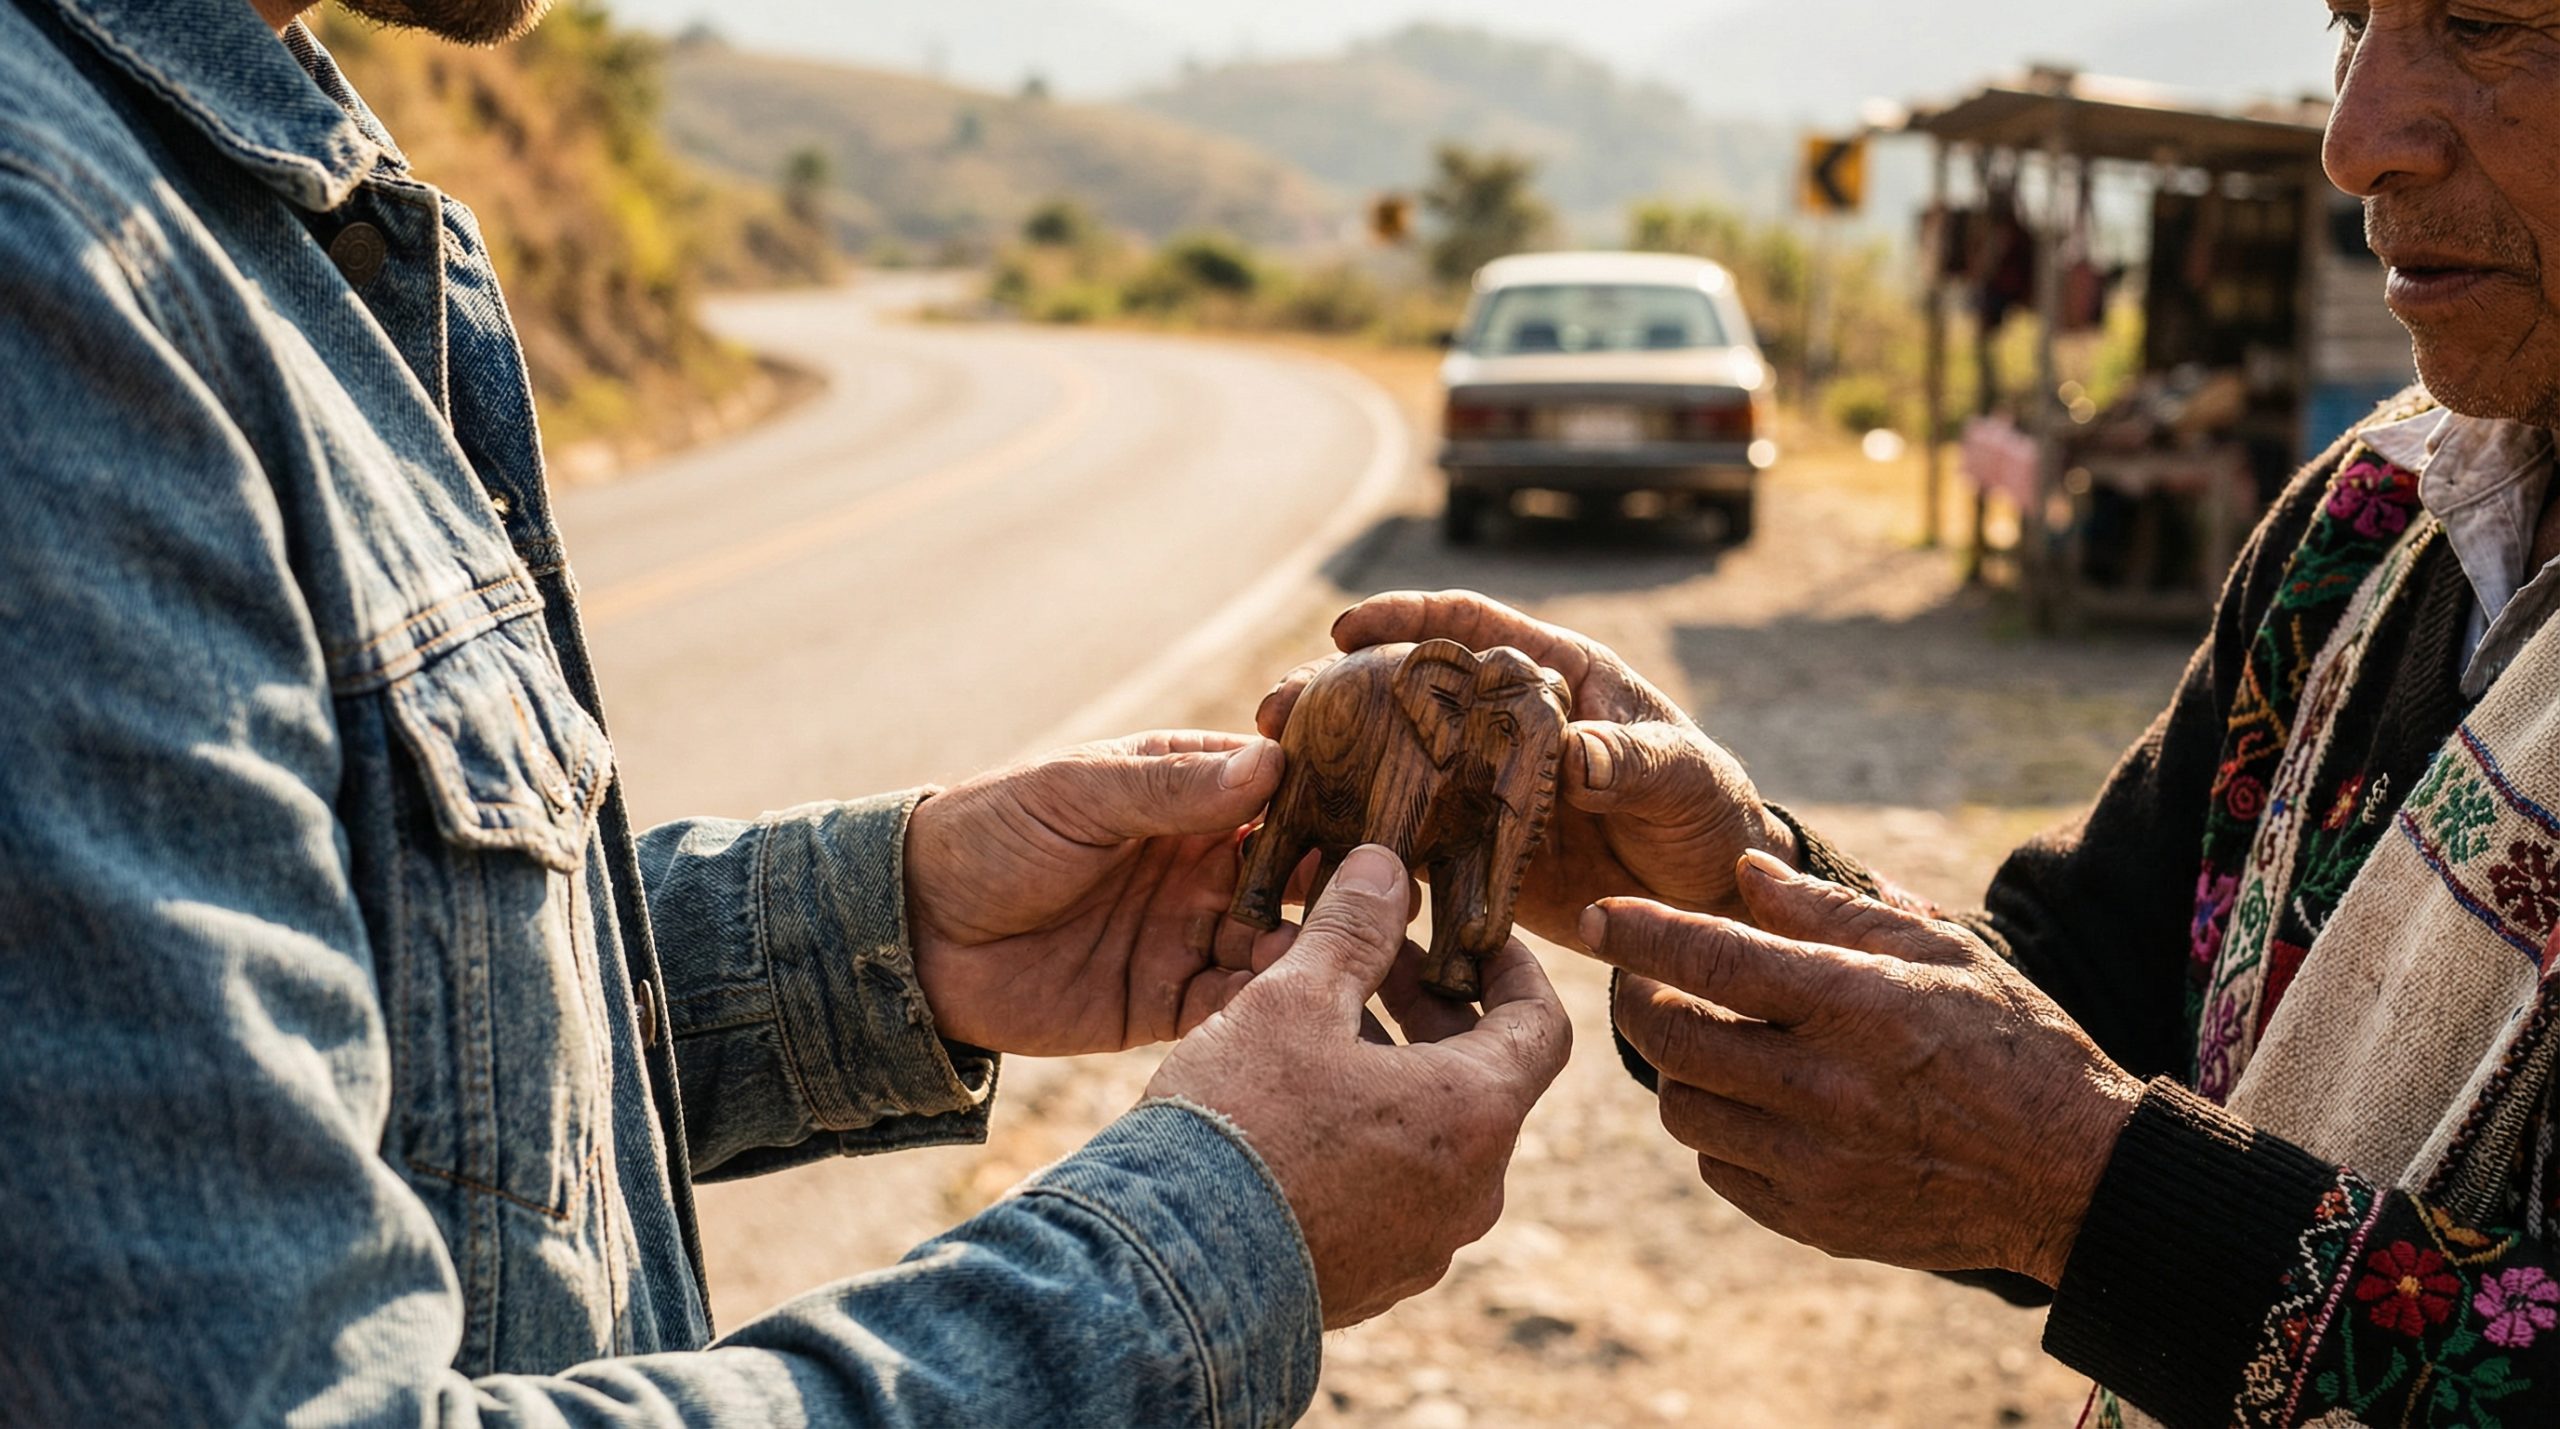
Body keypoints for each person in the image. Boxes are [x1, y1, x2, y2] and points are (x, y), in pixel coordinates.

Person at [0, 0, 1575, 1424]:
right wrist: (1217, 1236)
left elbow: (312, 1026)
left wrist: (887, 936)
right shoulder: (57, 270)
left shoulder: (218, 194)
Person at [1259, 10, 2560, 1424]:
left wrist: (2089, 1192)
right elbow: (2088, 1015)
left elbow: (2080, 1134)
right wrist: (1729, 869)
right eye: (2353, 23)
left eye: (2486, 24)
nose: (2355, 137)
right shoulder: (2364, 532)